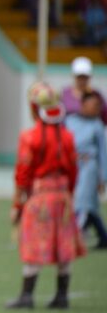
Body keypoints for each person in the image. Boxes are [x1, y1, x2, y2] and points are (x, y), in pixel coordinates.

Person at [7, 82, 85, 310]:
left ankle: (27, 296)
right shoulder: (68, 136)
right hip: (62, 197)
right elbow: (73, 170)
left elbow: (23, 173)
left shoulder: (30, 137)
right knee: (64, 244)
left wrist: (17, 202)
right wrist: (68, 194)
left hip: (39, 197)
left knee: (33, 245)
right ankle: (62, 295)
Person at [65, 92, 107, 248]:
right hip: (72, 165)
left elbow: (103, 152)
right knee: (91, 206)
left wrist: (103, 178)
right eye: (94, 105)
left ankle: (72, 237)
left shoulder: (97, 125)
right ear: (83, 104)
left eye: (99, 106)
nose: (98, 109)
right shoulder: (69, 121)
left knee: (82, 203)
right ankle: (104, 237)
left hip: (89, 167)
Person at [60, 56, 107, 122]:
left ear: (89, 77)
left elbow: (105, 115)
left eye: (84, 77)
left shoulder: (96, 95)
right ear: (73, 76)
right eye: (79, 77)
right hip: (68, 130)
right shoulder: (64, 94)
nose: (82, 80)